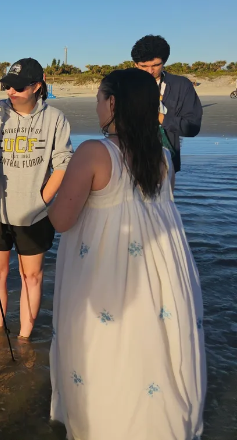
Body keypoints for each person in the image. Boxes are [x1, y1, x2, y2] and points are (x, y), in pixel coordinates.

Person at [48, 69, 205, 440]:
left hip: (108, 274)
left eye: (100, 97)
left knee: (108, 351)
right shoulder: (163, 155)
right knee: (151, 350)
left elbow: (61, 220)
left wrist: (51, 190)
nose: (97, 104)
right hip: (160, 275)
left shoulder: (94, 152)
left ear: (113, 103)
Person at [0, 58, 73, 339]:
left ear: (37, 85)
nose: (11, 92)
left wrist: (42, 200)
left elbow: (63, 164)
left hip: (35, 214)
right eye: (7, 86)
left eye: (18, 87)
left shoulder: (55, 119)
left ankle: (24, 338)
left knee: (31, 277)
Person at [131, 34, 202, 172]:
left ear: (164, 61)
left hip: (167, 163)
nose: (150, 71)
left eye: (156, 65)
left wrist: (158, 116)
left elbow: (192, 127)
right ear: (135, 64)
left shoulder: (181, 85)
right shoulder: (125, 84)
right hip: (129, 161)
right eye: (143, 66)